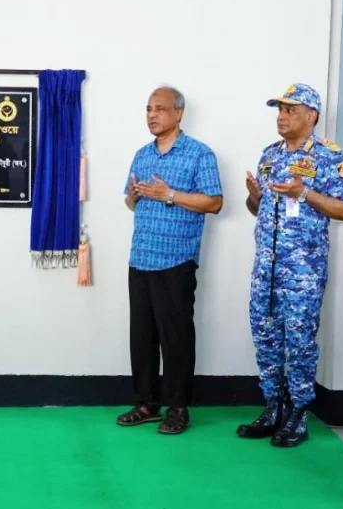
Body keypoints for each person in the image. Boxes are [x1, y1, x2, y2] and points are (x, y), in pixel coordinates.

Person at [236, 83, 343, 448]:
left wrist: (304, 193)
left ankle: (299, 413)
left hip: (302, 272)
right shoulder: (269, 155)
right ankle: (273, 407)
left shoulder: (328, 156)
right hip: (266, 271)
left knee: (300, 343)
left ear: (311, 116)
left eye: (290, 110)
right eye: (279, 110)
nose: (281, 116)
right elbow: (257, 211)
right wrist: (255, 197)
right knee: (267, 339)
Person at [115, 86, 223, 435]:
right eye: (148, 108)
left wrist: (170, 195)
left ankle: (178, 408)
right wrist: (133, 196)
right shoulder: (142, 155)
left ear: (179, 113)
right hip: (141, 257)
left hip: (175, 260)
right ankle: (145, 403)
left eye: (160, 108)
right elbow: (132, 203)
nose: (152, 115)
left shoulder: (198, 154)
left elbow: (214, 202)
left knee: (175, 336)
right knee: (142, 335)